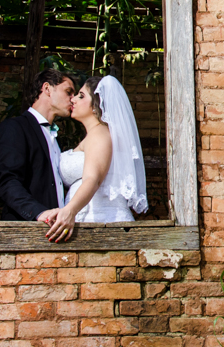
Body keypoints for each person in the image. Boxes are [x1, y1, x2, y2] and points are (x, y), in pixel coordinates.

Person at [45, 75, 148, 242]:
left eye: (81, 95)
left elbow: (93, 179)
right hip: (89, 220)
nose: (74, 100)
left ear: (95, 106)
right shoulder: (95, 135)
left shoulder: (99, 134)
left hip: (102, 221)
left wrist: (69, 211)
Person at [0, 68, 76, 227]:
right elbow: (7, 182)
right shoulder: (15, 127)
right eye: (68, 92)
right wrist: (39, 212)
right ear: (47, 89)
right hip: (25, 230)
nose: (72, 99)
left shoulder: (53, 135)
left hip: (55, 231)